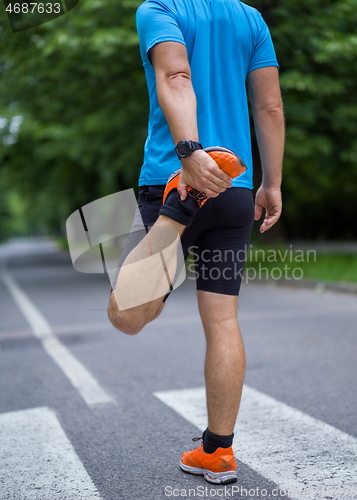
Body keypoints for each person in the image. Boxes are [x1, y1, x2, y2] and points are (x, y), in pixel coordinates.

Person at [108, 0, 284, 485]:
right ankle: (218, 452)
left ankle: (179, 207)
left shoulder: (159, 8)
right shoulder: (250, 17)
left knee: (126, 315)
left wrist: (189, 154)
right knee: (223, 318)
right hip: (235, 185)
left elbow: (175, 76)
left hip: (177, 173)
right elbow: (268, 105)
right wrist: (274, 182)